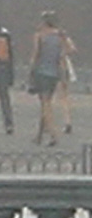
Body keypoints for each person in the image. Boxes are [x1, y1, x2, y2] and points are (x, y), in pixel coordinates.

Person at [32, 12, 78, 145]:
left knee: (45, 104)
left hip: (42, 72)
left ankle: (53, 134)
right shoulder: (60, 36)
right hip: (56, 72)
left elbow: (35, 55)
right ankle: (39, 135)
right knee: (45, 103)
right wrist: (61, 55)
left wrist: (31, 71)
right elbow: (70, 49)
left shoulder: (40, 35)